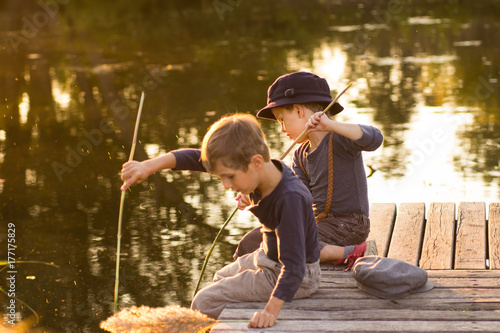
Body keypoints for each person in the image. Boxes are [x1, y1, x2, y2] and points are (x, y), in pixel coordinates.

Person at [121, 113, 321, 328]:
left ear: (256, 162)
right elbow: (191, 157)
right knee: (220, 276)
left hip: (296, 277)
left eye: (230, 176)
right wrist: (147, 167)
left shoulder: (290, 199)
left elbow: (294, 268)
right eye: (221, 178)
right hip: (268, 257)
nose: (226, 185)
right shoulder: (265, 171)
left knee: (203, 302)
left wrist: (269, 312)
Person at [234, 71, 383, 270]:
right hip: (318, 224)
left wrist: (330, 124)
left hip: (348, 226)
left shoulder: (339, 138)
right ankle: (239, 281)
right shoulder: (300, 155)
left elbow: (375, 138)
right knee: (250, 242)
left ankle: (351, 251)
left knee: (287, 245)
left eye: (281, 120)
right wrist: (256, 197)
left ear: (298, 111)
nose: (281, 129)